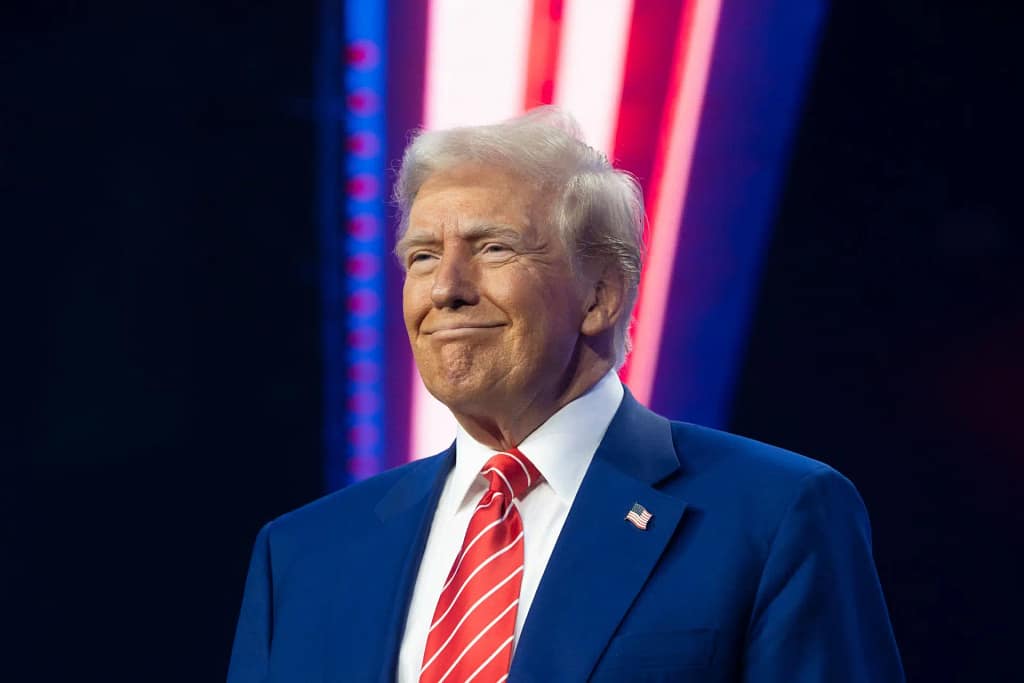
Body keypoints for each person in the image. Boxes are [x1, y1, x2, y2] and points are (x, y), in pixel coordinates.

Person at [227, 108, 904, 682]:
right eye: (422, 256)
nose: (445, 288)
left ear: (600, 295)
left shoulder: (776, 514)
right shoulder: (301, 555)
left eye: (493, 247)